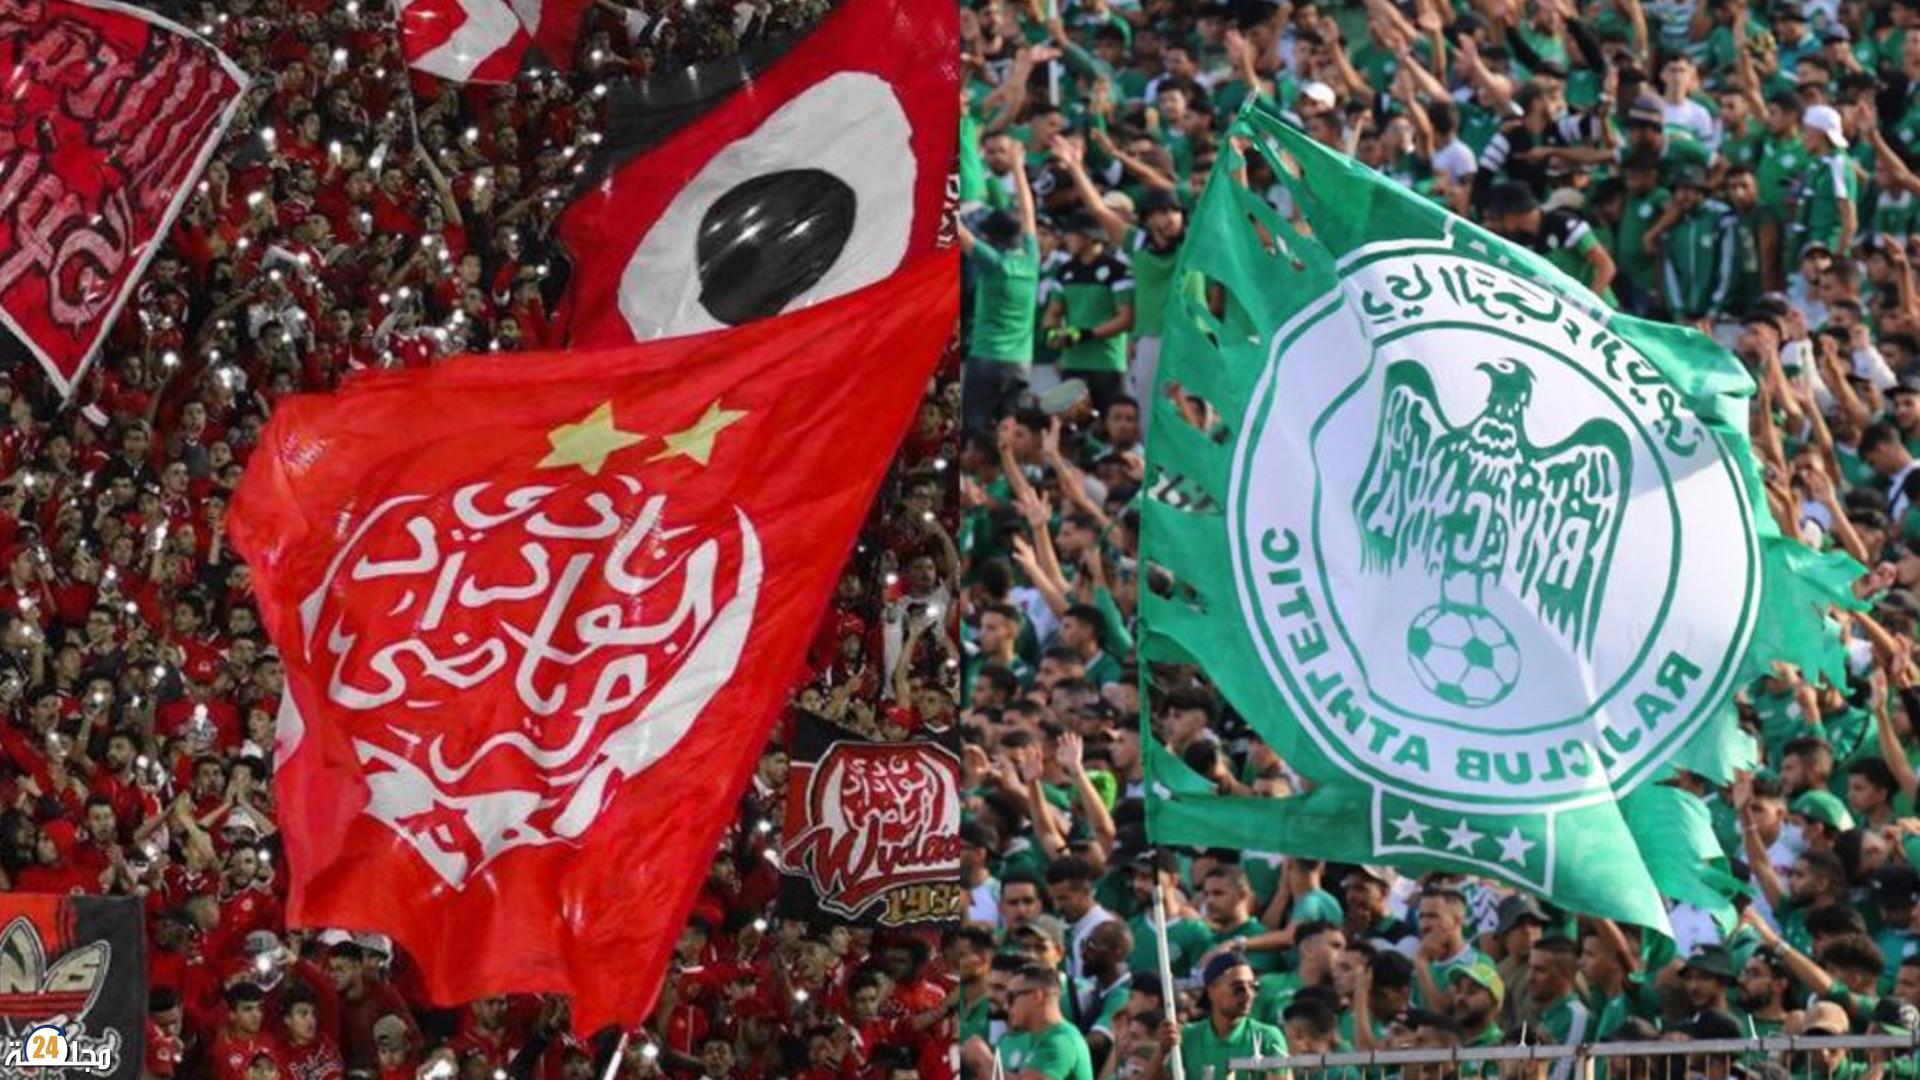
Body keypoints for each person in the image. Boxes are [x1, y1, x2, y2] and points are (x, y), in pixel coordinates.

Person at [1149, 954, 1288, 1080]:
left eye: (1253, 987)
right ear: (1212, 991)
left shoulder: (1268, 1038)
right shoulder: (1187, 1037)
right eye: (1238, 988)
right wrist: (1162, 1051)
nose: (1248, 994)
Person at [997, 965, 1095, 1080]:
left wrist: (983, 1058)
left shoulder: (1061, 1042)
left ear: (1037, 996)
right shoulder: (1036, 1037)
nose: (1005, 1006)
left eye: (1011, 998)